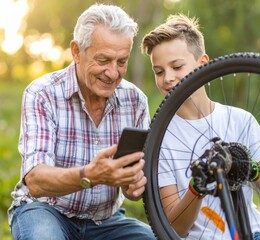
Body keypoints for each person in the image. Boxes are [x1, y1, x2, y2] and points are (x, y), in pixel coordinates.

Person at [8, 3, 156, 240]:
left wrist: (134, 184)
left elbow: (135, 183)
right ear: (76, 51)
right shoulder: (42, 93)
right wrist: (92, 175)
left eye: (121, 61)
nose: (113, 73)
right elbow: (35, 180)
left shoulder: (135, 100)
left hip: (105, 221)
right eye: (103, 60)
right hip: (45, 209)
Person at [141, 14, 260, 240]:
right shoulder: (158, 140)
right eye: (158, 72)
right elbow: (175, 229)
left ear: (203, 64)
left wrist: (249, 167)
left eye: (177, 66)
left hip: (254, 235)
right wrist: (196, 186)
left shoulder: (241, 120)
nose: (167, 78)